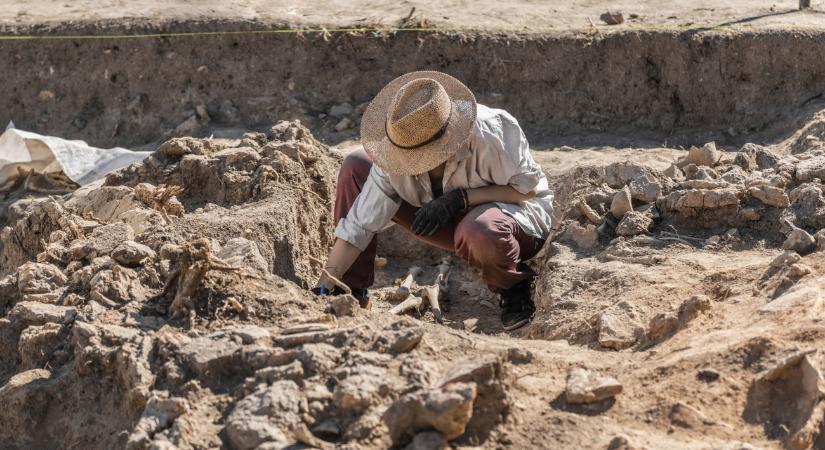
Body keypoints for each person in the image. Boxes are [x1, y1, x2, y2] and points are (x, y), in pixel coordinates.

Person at [313, 71, 554, 330]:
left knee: (479, 230)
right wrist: (326, 284)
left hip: (514, 219)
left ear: (448, 138)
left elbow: (527, 191)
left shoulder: (492, 133)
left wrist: (461, 199)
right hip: (447, 221)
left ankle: (513, 287)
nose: (411, 164)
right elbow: (359, 225)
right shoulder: (398, 147)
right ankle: (349, 291)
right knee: (357, 165)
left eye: (422, 156)